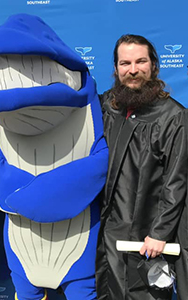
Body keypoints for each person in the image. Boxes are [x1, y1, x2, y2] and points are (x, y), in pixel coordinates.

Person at [96, 34, 187, 300]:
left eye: (140, 62)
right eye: (125, 63)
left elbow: (176, 180)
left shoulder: (173, 116)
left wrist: (160, 233)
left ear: (154, 66)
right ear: (115, 69)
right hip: (107, 233)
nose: (133, 70)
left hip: (146, 237)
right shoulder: (107, 108)